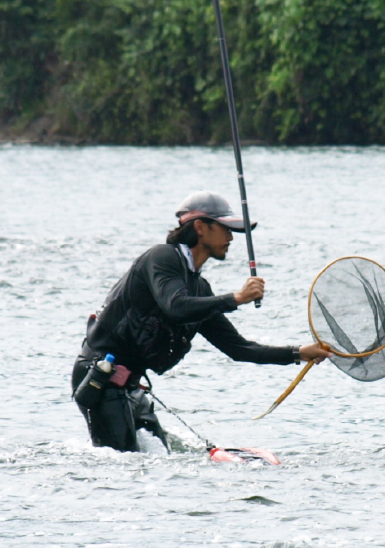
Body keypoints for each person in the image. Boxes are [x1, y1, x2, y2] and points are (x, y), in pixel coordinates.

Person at [71, 190, 331, 452]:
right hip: (99, 379)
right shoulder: (161, 258)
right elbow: (175, 307)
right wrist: (237, 298)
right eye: (225, 229)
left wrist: (298, 353)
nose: (231, 237)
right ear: (200, 228)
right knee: (127, 465)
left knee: (160, 456)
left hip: (131, 386)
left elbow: (239, 349)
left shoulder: (199, 290)